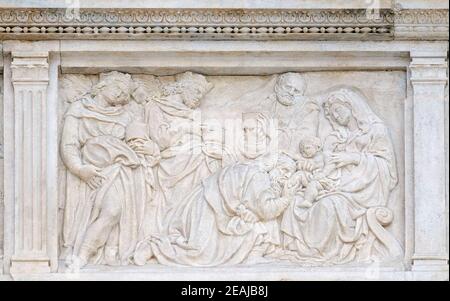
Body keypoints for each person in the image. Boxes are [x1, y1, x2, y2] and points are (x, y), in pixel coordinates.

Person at [280, 87, 401, 265]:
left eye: (338, 110)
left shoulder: (375, 130)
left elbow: (386, 167)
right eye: (333, 114)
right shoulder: (341, 136)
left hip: (362, 191)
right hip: (339, 183)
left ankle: (324, 253)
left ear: (351, 106)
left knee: (328, 206)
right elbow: (327, 162)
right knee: (295, 201)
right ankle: (302, 251)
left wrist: (353, 158)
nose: (336, 116)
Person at [133, 154, 297, 267]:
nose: (285, 177)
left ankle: (253, 255)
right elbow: (266, 209)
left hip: (210, 202)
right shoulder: (260, 176)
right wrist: (286, 197)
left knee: (256, 227)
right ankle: (154, 247)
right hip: (210, 205)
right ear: (275, 166)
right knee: (199, 253)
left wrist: (250, 212)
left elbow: (256, 209)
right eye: (285, 171)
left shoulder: (251, 169)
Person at [60, 71, 153, 270]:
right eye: (118, 87)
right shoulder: (79, 108)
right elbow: (69, 145)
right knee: (108, 213)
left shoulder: (127, 115)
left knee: (113, 211)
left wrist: (150, 149)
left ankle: (87, 255)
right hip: (90, 172)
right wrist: (79, 169)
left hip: (120, 171)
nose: (122, 94)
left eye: (126, 92)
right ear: (103, 86)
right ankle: (83, 254)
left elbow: (139, 142)